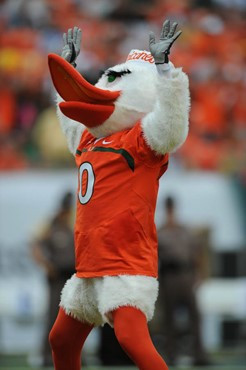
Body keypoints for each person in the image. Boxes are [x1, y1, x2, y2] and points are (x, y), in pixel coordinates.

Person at [48, 19, 190, 370]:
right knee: (61, 341)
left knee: (131, 340)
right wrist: (69, 73)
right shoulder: (89, 138)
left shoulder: (141, 140)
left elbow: (171, 128)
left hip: (124, 262)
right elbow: (70, 120)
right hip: (90, 264)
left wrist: (166, 73)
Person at [158, 196, 210, 366]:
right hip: (169, 277)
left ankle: (199, 355)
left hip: (186, 274)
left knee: (195, 316)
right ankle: (170, 354)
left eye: (172, 208)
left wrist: (199, 274)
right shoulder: (160, 231)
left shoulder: (184, 230)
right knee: (169, 319)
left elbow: (197, 252)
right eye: (169, 209)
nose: (171, 212)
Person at [32, 191, 75, 367]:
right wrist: (46, 265)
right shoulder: (50, 223)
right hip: (56, 277)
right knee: (52, 316)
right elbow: (35, 244)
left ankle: (76, 355)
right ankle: (46, 356)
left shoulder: (73, 221)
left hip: (72, 277)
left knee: (75, 317)